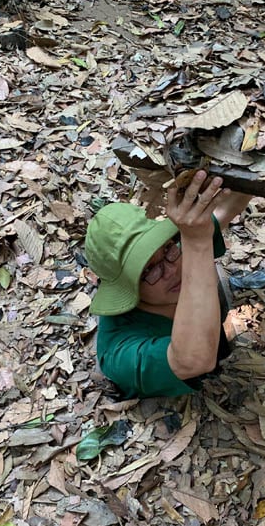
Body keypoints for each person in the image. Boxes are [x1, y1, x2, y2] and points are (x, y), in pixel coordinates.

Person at [84, 170, 253, 398]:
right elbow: (194, 360)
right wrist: (197, 243)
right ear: (126, 287)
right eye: (149, 270)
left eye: (167, 249)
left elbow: (228, 206)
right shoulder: (120, 352)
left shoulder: (181, 250)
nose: (171, 270)